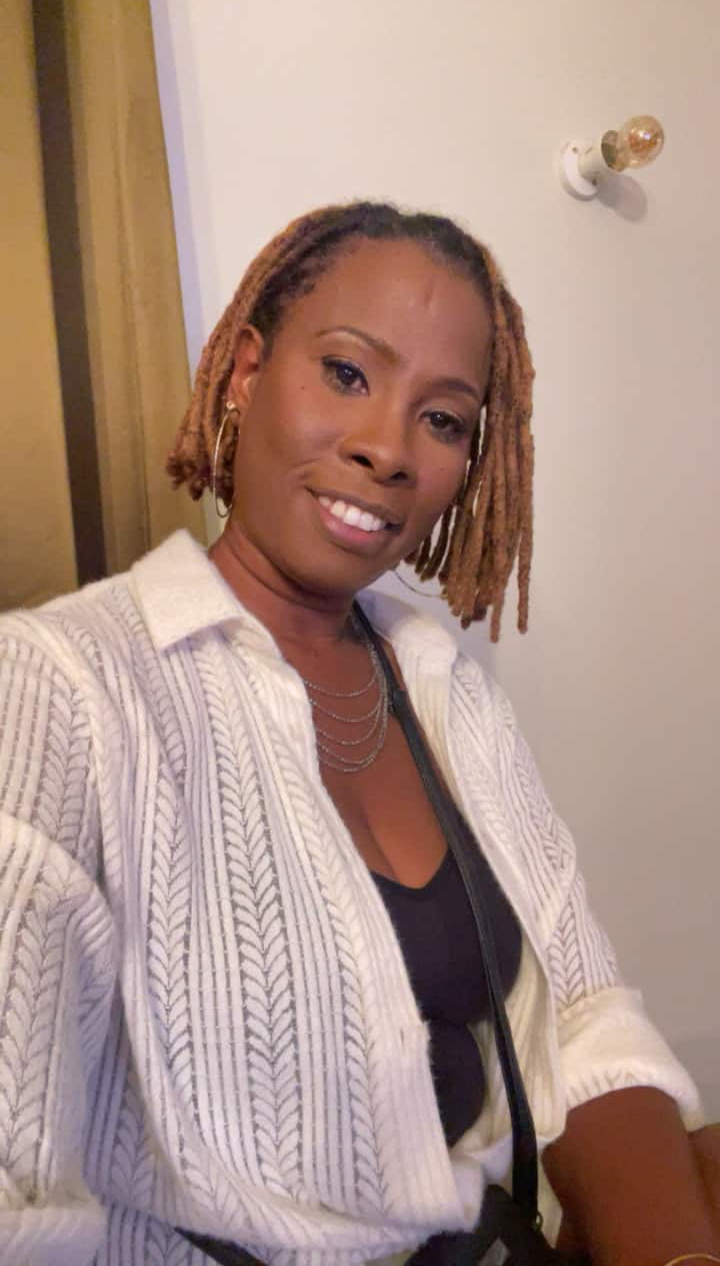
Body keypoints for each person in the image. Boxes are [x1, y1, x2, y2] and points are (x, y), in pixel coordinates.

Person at [0, 201, 717, 1266]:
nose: (387, 447)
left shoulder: (442, 687)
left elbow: (582, 1014)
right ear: (246, 372)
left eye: (444, 420)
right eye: (346, 372)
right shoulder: (62, 685)